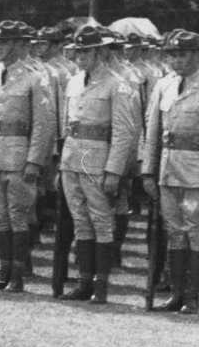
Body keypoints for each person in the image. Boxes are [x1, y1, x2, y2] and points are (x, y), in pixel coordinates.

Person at [140, 29, 199, 313]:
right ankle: (176, 293)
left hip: (195, 176)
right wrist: (148, 170)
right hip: (168, 171)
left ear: (198, 57)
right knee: (174, 232)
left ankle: (193, 296)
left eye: (182, 54)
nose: (176, 60)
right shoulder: (163, 85)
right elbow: (152, 131)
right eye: (173, 55)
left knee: (195, 232)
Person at [56, 25, 140, 304]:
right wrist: (62, 164)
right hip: (73, 159)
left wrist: (114, 170)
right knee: (81, 222)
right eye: (78, 50)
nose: (81, 56)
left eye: (87, 51)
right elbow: (67, 126)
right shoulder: (73, 82)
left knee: (101, 222)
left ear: (100, 52)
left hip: (98, 162)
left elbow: (124, 132)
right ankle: (83, 282)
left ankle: (101, 285)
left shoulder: (117, 84)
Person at [0, 21, 56, 292]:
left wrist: (35, 160)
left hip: (18, 155)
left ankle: (17, 275)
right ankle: (3, 271)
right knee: (1, 217)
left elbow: (43, 123)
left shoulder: (35, 76)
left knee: (18, 215)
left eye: (5, 42)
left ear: (20, 45)